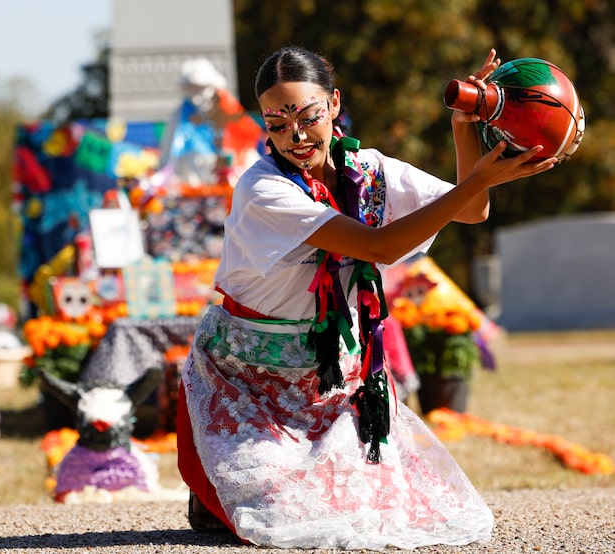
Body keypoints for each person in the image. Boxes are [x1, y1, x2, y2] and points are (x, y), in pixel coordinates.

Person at [176, 46, 556, 550]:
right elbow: (382, 246)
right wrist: (483, 175)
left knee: (382, 508)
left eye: (309, 117)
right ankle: (218, 482)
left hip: (331, 383)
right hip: (249, 384)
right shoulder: (262, 189)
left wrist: (464, 126)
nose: (296, 136)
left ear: (334, 104)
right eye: (277, 123)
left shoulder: (370, 170)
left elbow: (472, 210)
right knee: (289, 518)